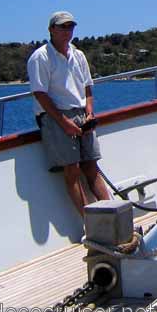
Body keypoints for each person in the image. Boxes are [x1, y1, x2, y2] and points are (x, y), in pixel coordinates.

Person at [27, 11, 110, 216]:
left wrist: (89, 112)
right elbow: (40, 93)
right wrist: (64, 122)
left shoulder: (78, 55)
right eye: (62, 26)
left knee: (91, 166)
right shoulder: (41, 57)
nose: (67, 31)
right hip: (57, 117)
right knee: (72, 170)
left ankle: (112, 215)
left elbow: (87, 87)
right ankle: (91, 223)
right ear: (51, 29)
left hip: (81, 114)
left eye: (70, 26)